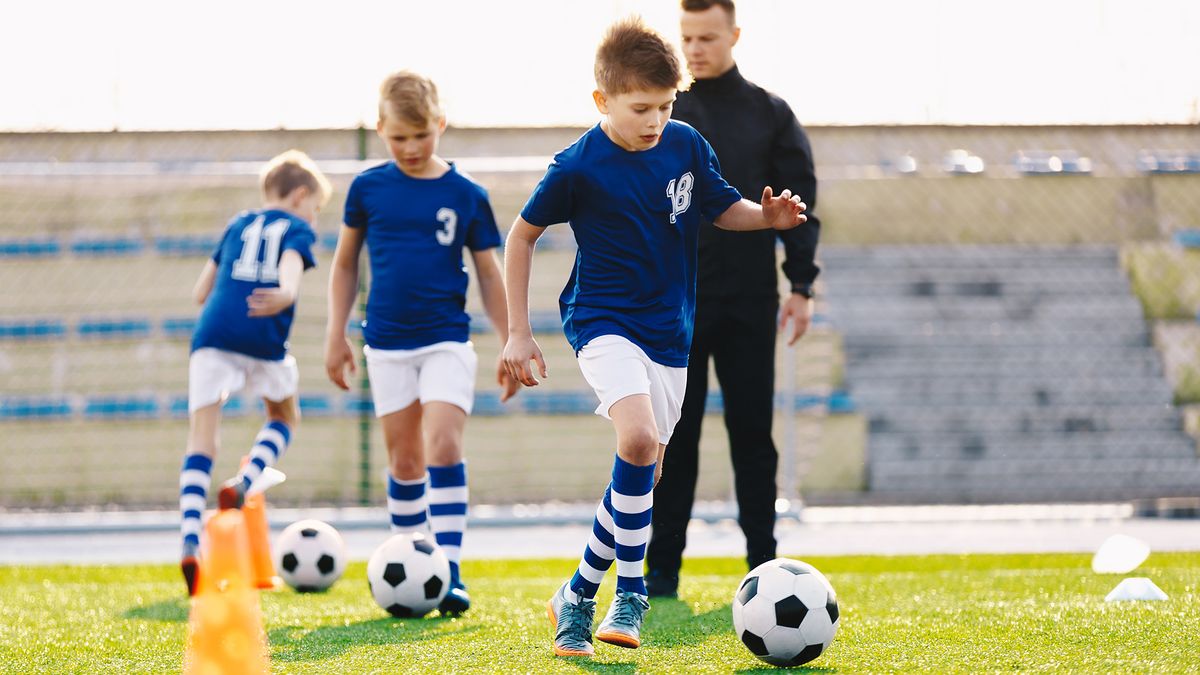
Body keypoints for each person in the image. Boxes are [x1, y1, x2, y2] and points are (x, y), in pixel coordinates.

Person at [502, 17, 807, 657]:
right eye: (641, 107)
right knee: (638, 440)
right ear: (602, 102)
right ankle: (629, 593)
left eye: (666, 105)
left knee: (647, 468)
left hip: (671, 334)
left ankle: (577, 592)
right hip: (602, 322)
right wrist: (518, 333)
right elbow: (521, 236)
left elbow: (722, 207)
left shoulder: (686, 144)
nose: (656, 120)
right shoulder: (578, 165)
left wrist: (767, 218)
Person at [644, 0, 824, 598]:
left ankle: (764, 568)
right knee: (676, 436)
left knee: (753, 435)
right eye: (687, 37)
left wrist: (800, 284)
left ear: (734, 35)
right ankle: (662, 575)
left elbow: (800, 206)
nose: (695, 48)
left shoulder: (770, 115)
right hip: (677, 307)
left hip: (749, 301)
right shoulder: (663, 114)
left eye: (707, 37)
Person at [324, 71, 517, 616]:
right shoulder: (367, 189)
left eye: (420, 136)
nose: (410, 148)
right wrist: (334, 334)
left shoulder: (466, 194)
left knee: (444, 447)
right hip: (385, 345)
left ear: (440, 124)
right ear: (381, 129)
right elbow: (343, 265)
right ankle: (411, 568)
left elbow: (488, 272)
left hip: (445, 342)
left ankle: (449, 570)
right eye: (398, 138)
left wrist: (509, 342)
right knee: (405, 460)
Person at [178, 149, 331, 596]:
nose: (314, 219)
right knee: (284, 417)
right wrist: (284, 294)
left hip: (212, 335)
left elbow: (199, 291)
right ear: (300, 196)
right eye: (316, 209)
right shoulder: (297, 229)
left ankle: (190, 540)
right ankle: (244, 482)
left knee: (201, 441)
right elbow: (287, 278)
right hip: (263, 336)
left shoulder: (237, 223)